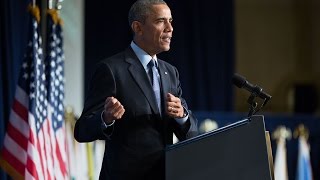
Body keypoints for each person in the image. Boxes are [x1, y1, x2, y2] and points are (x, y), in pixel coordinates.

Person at [74, 0, 198, 179]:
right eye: (161, 21)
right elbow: (82, 130)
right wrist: (106, 118)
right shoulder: (111, 69)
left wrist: (182, 116)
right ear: (138, 28)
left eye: (171, 21)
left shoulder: (171, 72)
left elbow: (191, 131)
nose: (170, 28)